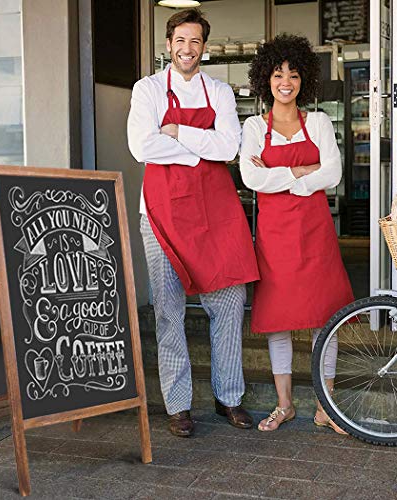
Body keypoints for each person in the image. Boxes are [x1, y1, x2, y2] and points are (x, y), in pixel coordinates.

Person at [128, 9, 259, 437]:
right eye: (180, 41)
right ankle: (178, 405)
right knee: (168, 312)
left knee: (228, 303)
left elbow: (228, 148)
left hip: (215, 212)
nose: (187, 49)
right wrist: (198, 149)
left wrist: (178, 133)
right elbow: (140, 147)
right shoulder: (147, 89)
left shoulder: (219, 90)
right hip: (163, 213)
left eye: (196, 42)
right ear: (169, 45)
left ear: (204, 47)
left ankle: (229, 398)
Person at [239, 34, 354, 433]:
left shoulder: (319, 121)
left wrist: (283, 178)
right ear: (265, 79)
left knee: (326, 316)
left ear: (304, 77)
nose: (285, 80)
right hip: (275, 235)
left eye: (292, 72)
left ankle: (327, 408)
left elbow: (334, 173)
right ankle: (285, 404)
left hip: (315, 231)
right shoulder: (254, 126)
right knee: (279, 319)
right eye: (277, 73)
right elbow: (251, 177)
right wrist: (303, 172)